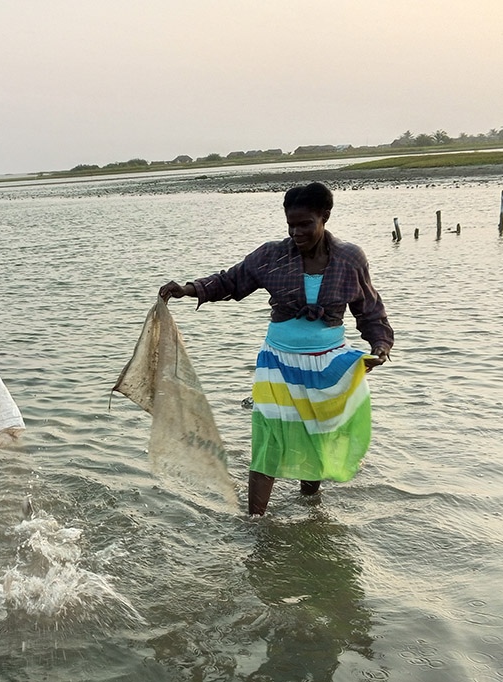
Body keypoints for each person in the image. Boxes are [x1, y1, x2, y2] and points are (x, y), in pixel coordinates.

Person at [160, 182, 394, 515]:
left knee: (316, 433)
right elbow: (231, 280)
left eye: (305, 224)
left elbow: (369, 308)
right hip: (278, 362)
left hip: (329, 363)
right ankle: (255, 521)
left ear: (324, 217)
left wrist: (380, 346)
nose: (296, 232)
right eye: (291, 225)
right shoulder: (272, 255)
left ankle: (311, 508)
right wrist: (188, 289)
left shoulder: (349, 258)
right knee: (268, 436)